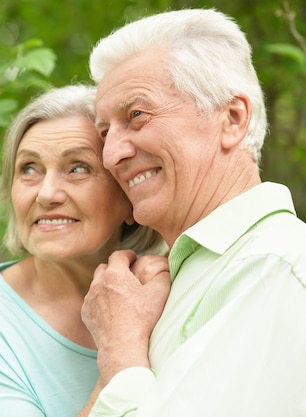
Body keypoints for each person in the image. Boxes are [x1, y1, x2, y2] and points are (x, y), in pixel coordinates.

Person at [80, 8, 306, 417]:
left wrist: (120, 348)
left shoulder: (276, 264)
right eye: (104, 133)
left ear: (232, 119)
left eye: (137, 116)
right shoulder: (173, 277)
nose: (112, 154)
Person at [0, 84, 165, 417]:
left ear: (128, 197)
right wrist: (119, 358)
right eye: (28, 169)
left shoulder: (161, 288)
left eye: (77, 168)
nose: (47, 193)